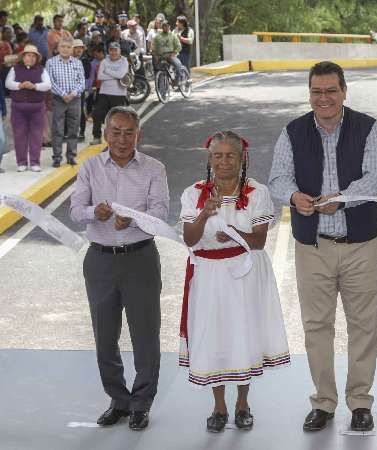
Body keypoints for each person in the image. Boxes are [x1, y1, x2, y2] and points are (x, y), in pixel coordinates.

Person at [268, 61, 377, 433]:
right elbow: (277, 178)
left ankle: (360, 403)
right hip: (313, 246)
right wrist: (292, 196)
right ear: (310, 94)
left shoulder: (368, 128)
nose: (324, 98)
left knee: (364, 326)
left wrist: (346, 198)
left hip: (361, 246)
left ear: (344, 92)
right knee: (316, 326)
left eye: (331, 91)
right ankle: (323, 402)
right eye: (316, 91)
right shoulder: (292, 132)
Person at [179, 130, 290, 433]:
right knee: (214, 337)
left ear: (242, 159)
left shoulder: (257, 192)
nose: (224, 161)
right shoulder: (194, 193)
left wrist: (232, 233)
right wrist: (204, 215)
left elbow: (258, 242)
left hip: (245, 272)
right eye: (218, 155)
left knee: (243, 335)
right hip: (209, 273)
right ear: (210, 158)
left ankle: (243, 404)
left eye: (231, 155)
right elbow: (189, 238)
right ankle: (218, 406)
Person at [69, 106, 169, 431]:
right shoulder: (90, 167)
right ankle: (118, 399)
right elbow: (74, 211)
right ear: (106, 133)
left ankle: (141, 402)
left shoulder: (154, 168)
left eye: (129, 132)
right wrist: (92, 213)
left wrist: (136, 219)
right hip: (99, 260)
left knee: (145, 336)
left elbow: (161, 212)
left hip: (140, 258)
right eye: (116, 132)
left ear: (138, 135)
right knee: (104, 336)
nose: (122, 139)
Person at [4, 45, 50, 171]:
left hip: (37, 108)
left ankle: (35, 162)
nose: (31, 58)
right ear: (23, 57)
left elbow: (47, 85)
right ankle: (21, 163)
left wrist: (34, 86)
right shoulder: (15, 69)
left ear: (37, 58)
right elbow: (8, 84)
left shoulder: (41, 69)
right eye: (28, 55)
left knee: (36, 135)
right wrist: (20, 85)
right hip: (18, 108)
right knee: (19, 135)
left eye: (33, 56)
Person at [45, 36, 84, 167]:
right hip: (59, 99)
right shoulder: (51, 62)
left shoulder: (77, 63)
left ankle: (71, 156)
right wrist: (63, 94)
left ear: (72, 49)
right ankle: (57, 157)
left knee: (74, 128)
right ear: (58, 48)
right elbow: (50, 81)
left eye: (68, 47)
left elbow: (81, 82)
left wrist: (72, 94)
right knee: (57, 129)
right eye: (63, 47)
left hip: (75, 99)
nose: (65, 49)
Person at [91, 41, 128, 145]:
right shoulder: (104, 61)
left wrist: (107, 71)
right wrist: (115, 76)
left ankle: (119, 138)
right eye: (111, 50)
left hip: (119, 94)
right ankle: (97, 137)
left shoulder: (124, 61)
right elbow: (100, 77)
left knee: (118, 118)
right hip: (104, 93)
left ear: (119, 51)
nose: (113, 52)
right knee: (97, 114)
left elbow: (121, 75)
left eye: (115, 50)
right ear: (109, 51)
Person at [73, 39, 90, 140]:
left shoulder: (85, 61)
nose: (79, 49)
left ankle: (81, 132)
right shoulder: (68, 59)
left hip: (80, 89)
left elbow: (87, 75)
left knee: (80, 110)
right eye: (76, 47)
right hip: (68, 89)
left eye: (81, 48)